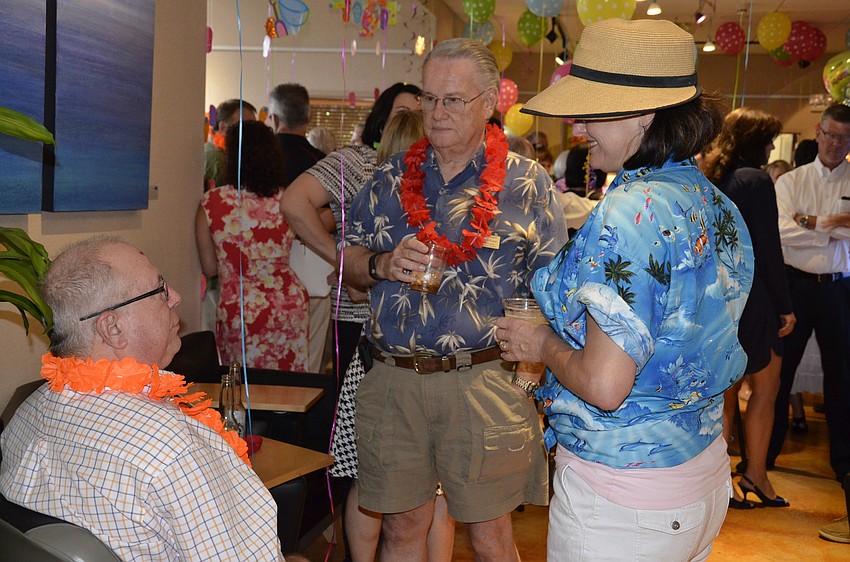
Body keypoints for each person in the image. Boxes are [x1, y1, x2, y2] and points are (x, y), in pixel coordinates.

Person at [498, 18, 754, 561]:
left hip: (622, 500)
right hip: (700, 474)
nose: (581, 127)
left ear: (645, 113)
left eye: (595, 111)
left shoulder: (627, 212)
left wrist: (540, 343)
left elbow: (605, 384)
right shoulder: (712, 202)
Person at [343, 38, 567, 561]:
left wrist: (534, 369)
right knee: (401, 530)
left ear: (489, 102)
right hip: (394, 380)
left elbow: (553, 287)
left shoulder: (527, 183)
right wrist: (379, 264)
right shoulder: (387, 179)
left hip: (484, 381)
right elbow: (349, 267)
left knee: (491, 537)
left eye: (453, 100)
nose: (436, 112)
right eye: (428, 98)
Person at [0, 237, 285, 561]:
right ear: (113, 328)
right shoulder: (174, 448)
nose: (176, 297)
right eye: (161, 290)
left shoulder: (26, 412)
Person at [280, 82, 426, 562]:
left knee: (410, 464)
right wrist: (344, 261)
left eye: (421, 114)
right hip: (359, 325)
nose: (414, 124)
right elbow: (295, 202)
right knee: (362, 454)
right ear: (383, 119)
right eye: (404, 113)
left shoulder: (439, 170)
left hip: (415, 335)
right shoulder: (357, 162)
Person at [703, 107, 796, 508]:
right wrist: (785, 306)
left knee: (725, 393)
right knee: (765, 389)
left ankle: (720, 480)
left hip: (717, 299)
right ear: (756, 141)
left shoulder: (715, 178)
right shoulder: (756, 180)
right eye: (770, 139)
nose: (773, 146)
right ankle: (755, 474)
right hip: (754, 298)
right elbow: (767, 250)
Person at [768, 103, 850, 485]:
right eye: (830, 134)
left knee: (842, 379)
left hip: (840, 288)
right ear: (818, 133)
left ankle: (843, 462)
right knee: (779, 376)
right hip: (796, 287)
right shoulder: (791, 182)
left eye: (844, 138)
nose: (836, 143)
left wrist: (811, 222)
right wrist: (835, 225)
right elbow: (782, 233)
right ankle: (765, 455)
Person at [196, 120, 309, 371]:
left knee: (241, 388)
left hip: (240, 309)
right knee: (289, 389)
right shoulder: (287, 199)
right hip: (287, 304)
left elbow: (210, 268)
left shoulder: (212, 202)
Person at [269, 82, 332, 374]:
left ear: (274, 118)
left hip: (264, 276)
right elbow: (333, 216)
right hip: (312, 265)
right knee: (310, 360)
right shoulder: (321, 164)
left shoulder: (255, 163)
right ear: (308, 119)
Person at [205, 98, 258, 190]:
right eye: (245, 126)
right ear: (223, 128)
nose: (253, 132)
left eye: (255, 127)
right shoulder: (218, 158)